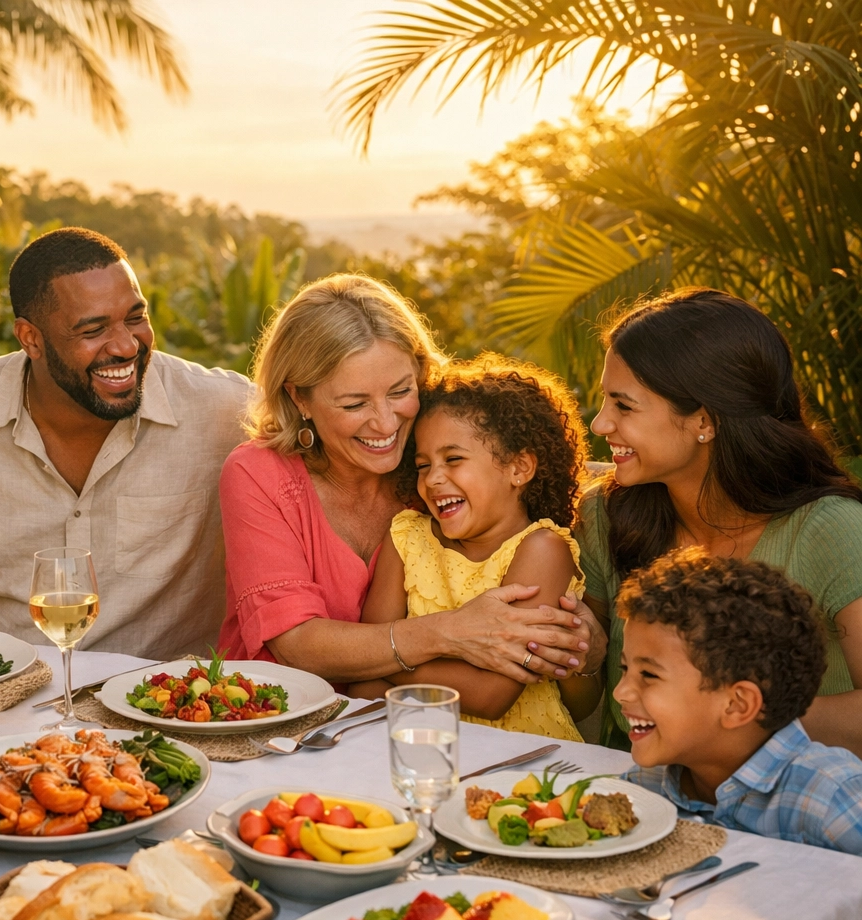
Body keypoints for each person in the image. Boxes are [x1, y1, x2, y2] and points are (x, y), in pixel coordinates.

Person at [0, 227, 251, 659]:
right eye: (93, 330)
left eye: (135, 318)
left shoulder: (229, 412)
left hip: (165, 706)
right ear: (30, 338)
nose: (126, 346)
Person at [218, 275, 599, 694]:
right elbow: (296, 645)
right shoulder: (258, 474)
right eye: (354, 403)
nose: (385, 423)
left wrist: (583, 650)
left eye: (400, 391)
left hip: (414, 722)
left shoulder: (440, 477)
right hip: (273, 717)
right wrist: (450, 632)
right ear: (299, 399)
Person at [579, 287, 862, 755]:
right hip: (645, 801)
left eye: (623, 405)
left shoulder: (832, 531)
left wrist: (720, 713)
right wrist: (584, 658)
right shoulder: (606, 515)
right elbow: (590, 700)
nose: (601, 424)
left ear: (704, 421)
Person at [360, 355, 601, 740]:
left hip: (522, 752)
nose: (434, 478)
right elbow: (361, 679)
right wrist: (375, 660)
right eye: (422, 465)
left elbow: (491, 695)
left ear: (519, 468)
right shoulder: (406, 537)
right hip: (417, 745)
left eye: (453, 459)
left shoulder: (541, 550)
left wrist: (389, 658)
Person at [616, 549, 862, 854]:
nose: (620, 692)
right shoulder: (647, 786)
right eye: (625, 669)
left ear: (737, 705)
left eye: (649, 675)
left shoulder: (830, 798)